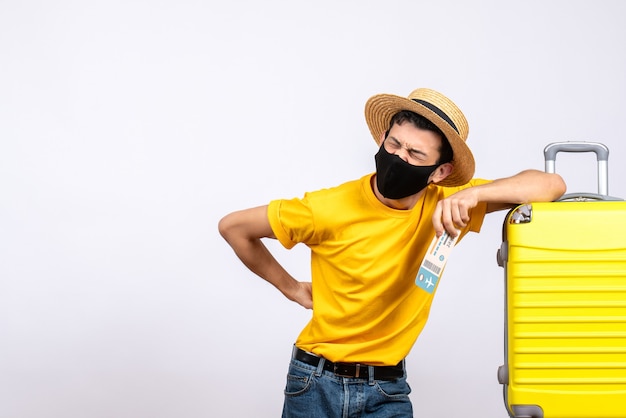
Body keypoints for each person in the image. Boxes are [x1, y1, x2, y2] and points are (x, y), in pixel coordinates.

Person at [218, 88, 566, 417]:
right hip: (315, 383)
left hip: (388, 389)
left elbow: (551, 185)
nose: (398, 157)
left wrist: (473, 195)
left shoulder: (449, 204)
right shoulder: (325, 208)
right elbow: (234, 227)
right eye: (394, 143)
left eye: (415, 154)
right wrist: (291, 288)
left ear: (441, 172)